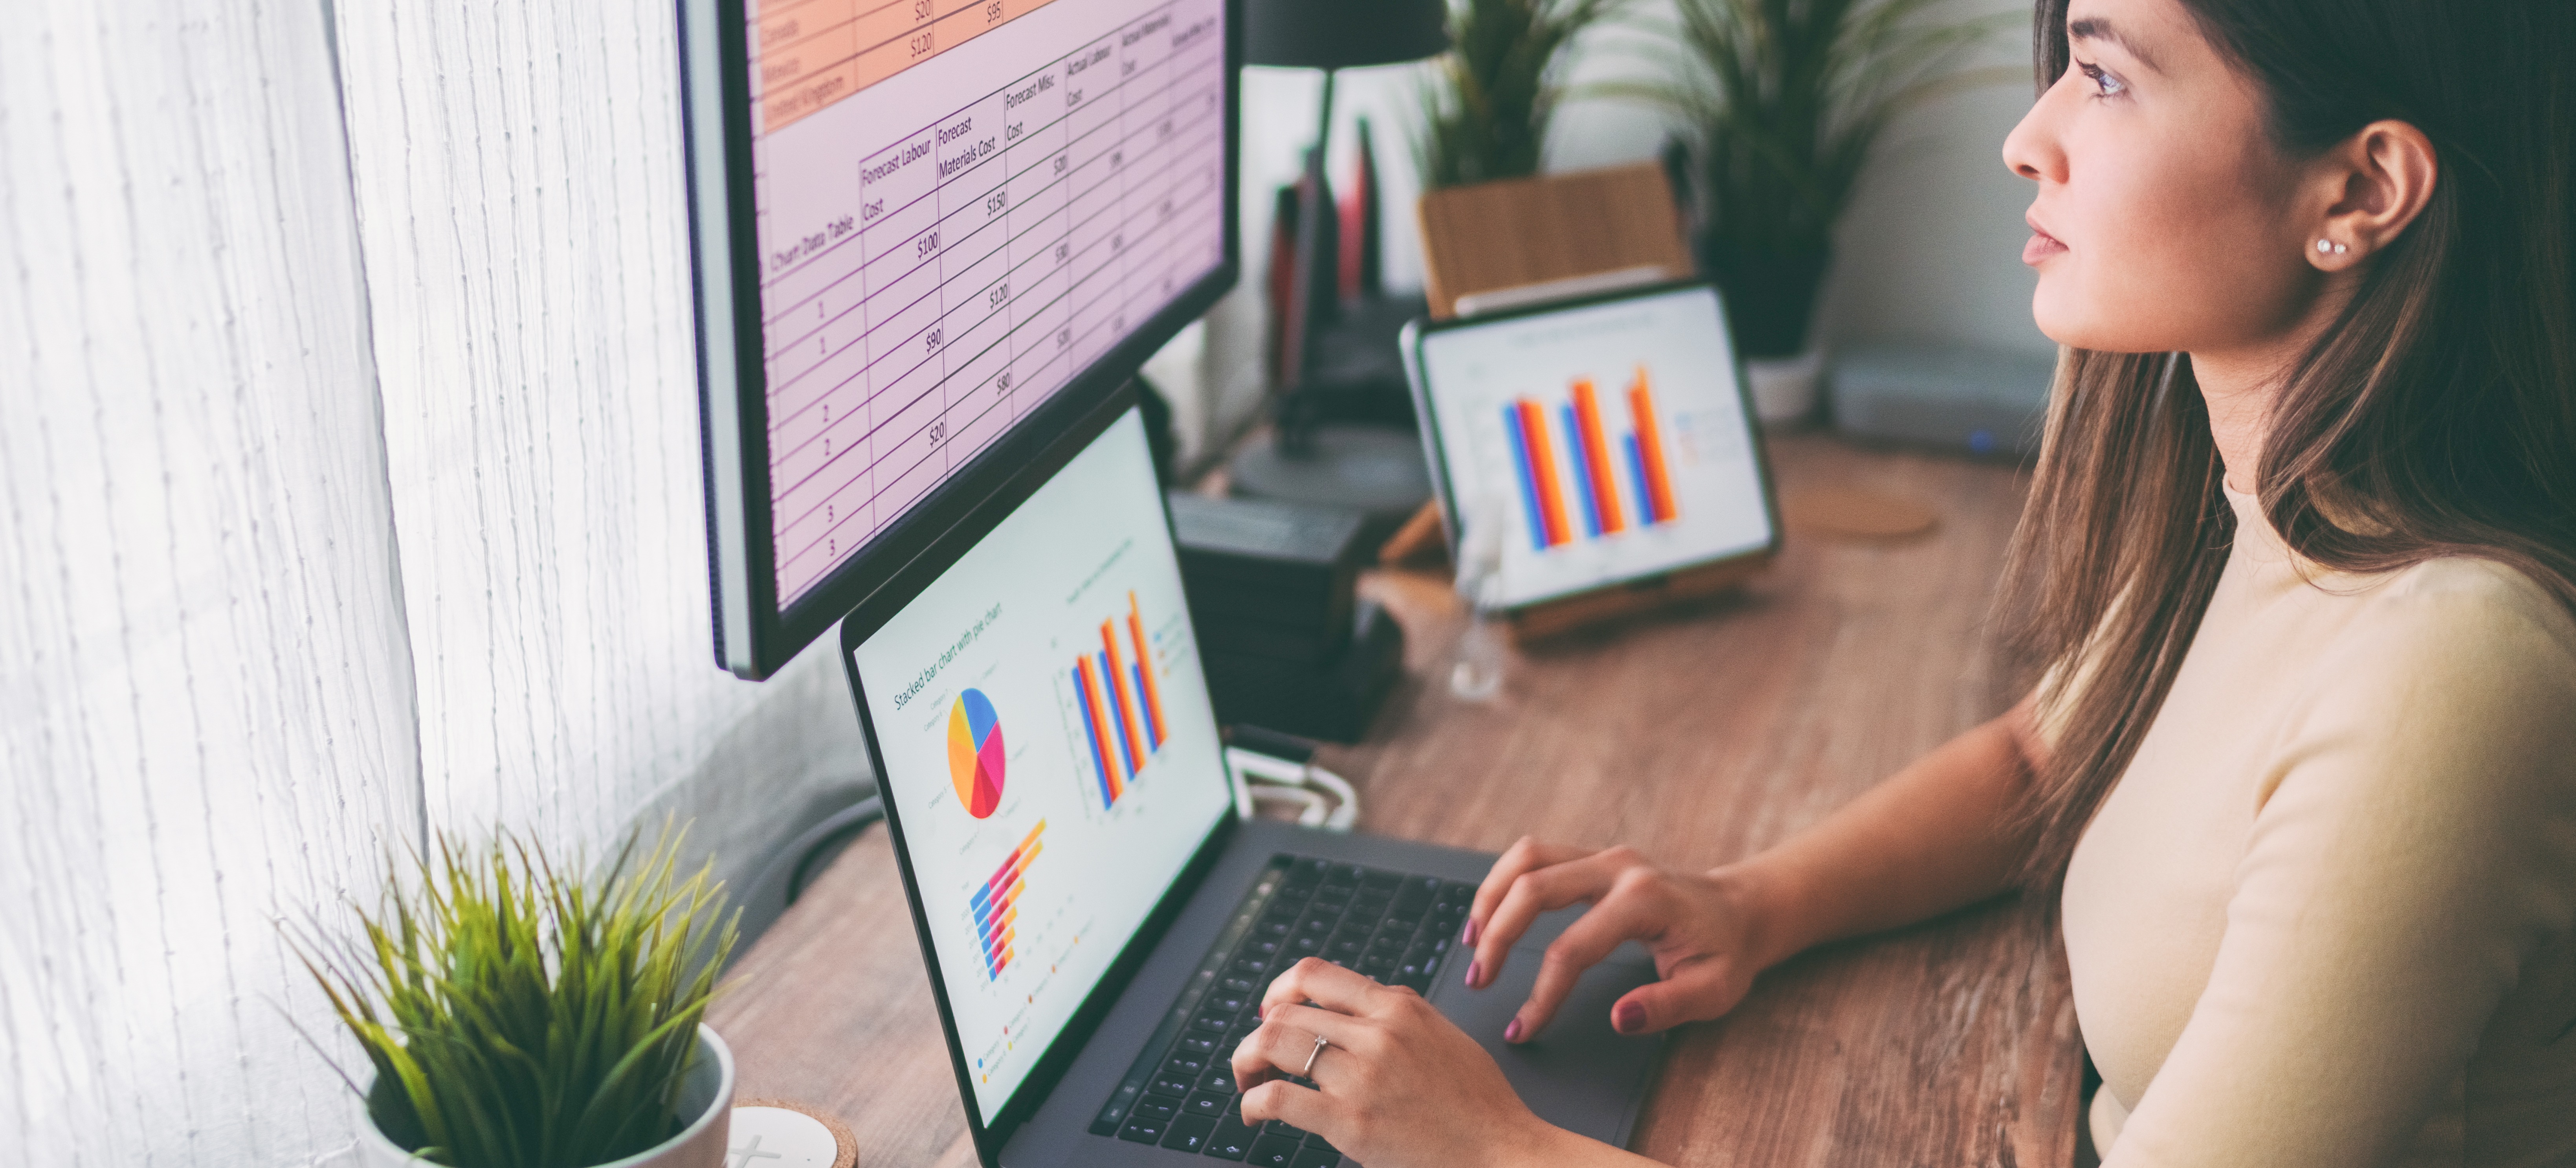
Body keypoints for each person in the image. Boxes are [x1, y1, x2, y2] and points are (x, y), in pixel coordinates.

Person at [1227, 0, 2576, 1162]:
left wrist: (1496, 1147)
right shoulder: (2272, 510)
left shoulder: (2447, 667)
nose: (2026, 135)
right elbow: (2050, 757)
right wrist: (1753, 899)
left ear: (2358, 194)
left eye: (2104, 76)